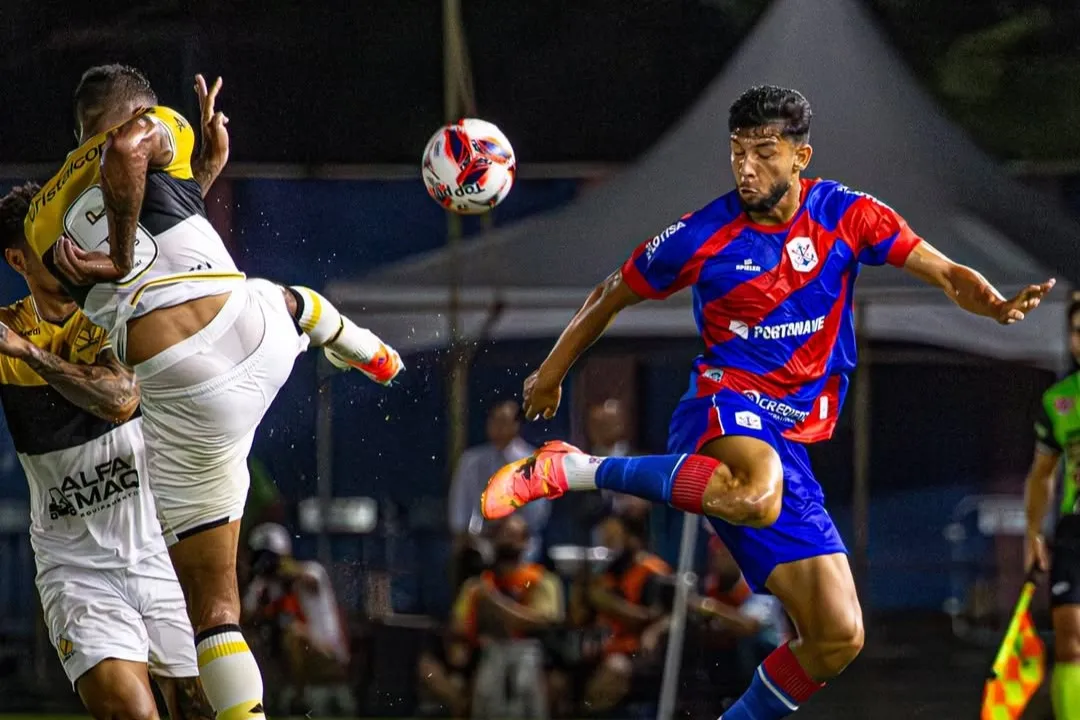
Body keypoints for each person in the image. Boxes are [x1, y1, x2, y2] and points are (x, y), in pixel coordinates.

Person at [481, 85, 1055, 719]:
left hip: (792, 440)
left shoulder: (847, 214)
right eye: (737, 152)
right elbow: (613, 290)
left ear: (800, 157)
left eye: (764, 151)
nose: (747, 166)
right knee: (757, 493)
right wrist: (551, 373)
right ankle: (571, 468)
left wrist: (994, 304)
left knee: (838, 636)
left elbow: (945, 272)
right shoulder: (703, 233)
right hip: (723, 405)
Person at [21, 64, 402, 720]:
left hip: (182, 387)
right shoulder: (159, 125)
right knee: (288, 298)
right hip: (252, 334)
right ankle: (372, 353)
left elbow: (128, 238)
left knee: (215, 608)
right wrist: (185, 169)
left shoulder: (40, 217)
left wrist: (184, 196)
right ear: (139, 108)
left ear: (73, 130)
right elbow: (127, 157)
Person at [0, 75, 230, 720]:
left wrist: (202, 175)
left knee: (209, 704)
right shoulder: (9, 332)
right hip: (78, 570)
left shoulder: (98, 312)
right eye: (52, 242)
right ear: (21, 260)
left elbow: (123, 398)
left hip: (158, 549)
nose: (74, 242)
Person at [1026, 296, 1080, 719]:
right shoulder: (1058, 399)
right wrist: (1033, 533)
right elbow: (1042, 474)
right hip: (1073, 531)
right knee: (1069, 638)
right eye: (1077, 331)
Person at [241, 523, 352, 715]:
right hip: (285, 658)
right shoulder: (263, 585)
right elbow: (245, 616)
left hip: (326, 651)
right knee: (249, 639)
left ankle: (298, 696)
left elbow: (310, 581)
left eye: (270, 556)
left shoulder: (311, 571)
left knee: (291, 630)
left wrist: (281, 569)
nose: (265, 562)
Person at [449, 400, 549, 562]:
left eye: (503, 421)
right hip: (480, 539)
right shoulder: (471, 461)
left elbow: (537, 514)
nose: (497, 427)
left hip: (519, 540)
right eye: (493, 420)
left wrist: (512, 526)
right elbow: (460, 509)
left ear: (516, 425)